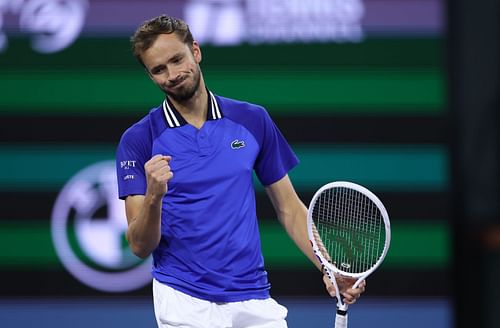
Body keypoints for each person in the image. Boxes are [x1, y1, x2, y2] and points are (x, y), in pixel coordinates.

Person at [116, 14, 366, 328]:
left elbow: (289, 209)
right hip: (185, 302)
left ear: (196, 51)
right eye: (158, 69)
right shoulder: (139, 140)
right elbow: (140, 246)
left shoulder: (252, 120)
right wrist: (154, 196)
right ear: (150, 76)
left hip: (254, 298)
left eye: (177, 60)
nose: (172, 74)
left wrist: (328, 268)